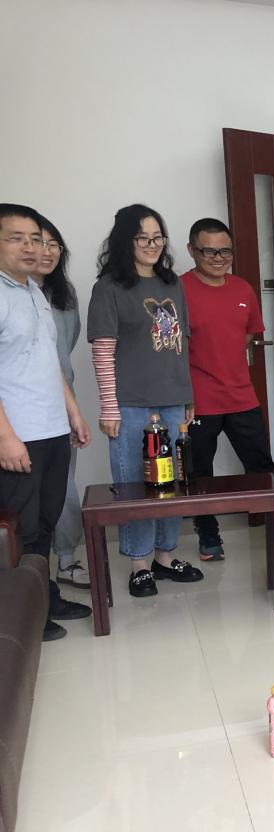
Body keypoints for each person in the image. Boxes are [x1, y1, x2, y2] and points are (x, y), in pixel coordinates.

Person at [87, 203, 204, 597]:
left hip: (172, 399)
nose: (152, 245)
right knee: (135, 484)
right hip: (130, 403)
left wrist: (187, 395)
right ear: (126, 241)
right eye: (143, 238)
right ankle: (139, 564)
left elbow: (181, 345)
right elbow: (103, 351)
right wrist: (108, 406)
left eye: (158, 237)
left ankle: (165, 557)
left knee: (173, 481)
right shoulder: (109, 287)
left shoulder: (172, 284)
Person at [0, 203, 93, 640]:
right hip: (19, 437)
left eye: (35, 239)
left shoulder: (34, 291)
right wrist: (5, 437)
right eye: (16, 238)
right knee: (23, 527)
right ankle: (22, 617)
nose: (31, 247)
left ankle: (43, 599)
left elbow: (49, 361)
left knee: (47, 521)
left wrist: (72, 412)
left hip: (52, 429)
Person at [181, 218, 274, 560]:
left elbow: (249, 333)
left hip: (241, 395)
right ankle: (209, 535)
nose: (219, 258)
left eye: (226, 251)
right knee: (199, 473)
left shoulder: (242, 289)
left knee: (262, 467)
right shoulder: (178, 290)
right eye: (209, 251)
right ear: (192, 250)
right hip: (198, 400)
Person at [32, 214, 90, 591]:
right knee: (28, 492)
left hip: (62, 401)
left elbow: (65, 348)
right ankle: (30, 572)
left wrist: (71, 407)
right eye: (40, 243)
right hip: (22, 410)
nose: (48, 251)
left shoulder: (63, 294)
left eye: (55, 245)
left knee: (64, 484)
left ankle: (66, 559)